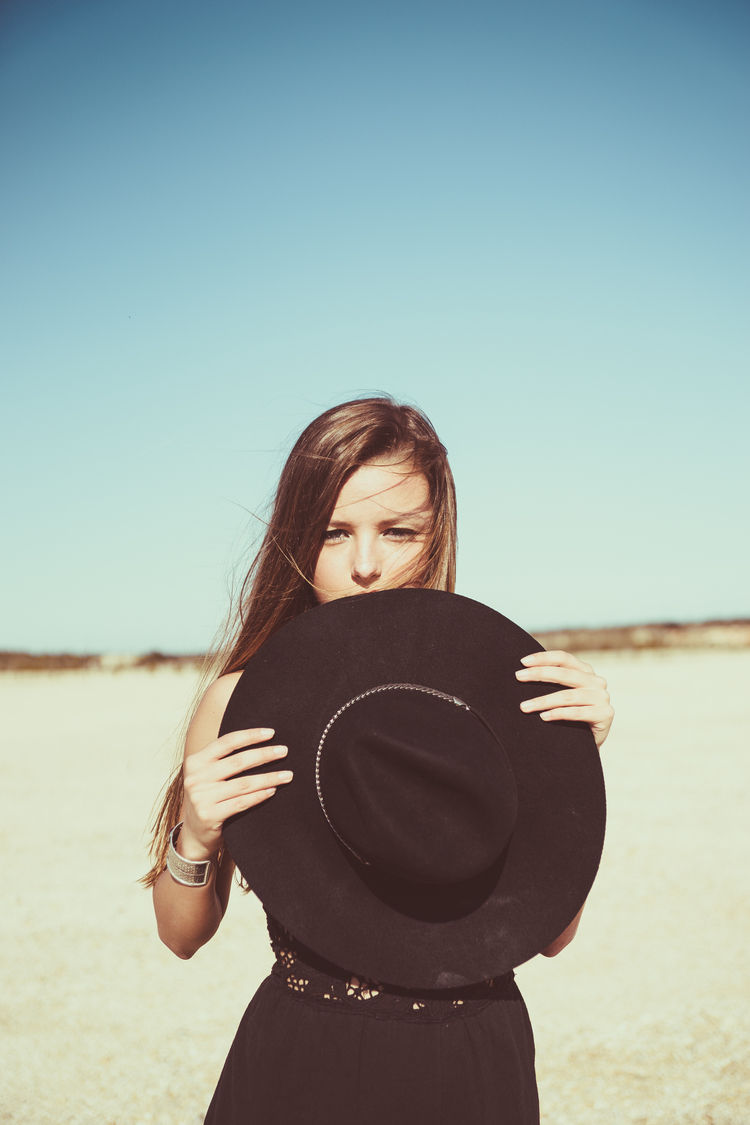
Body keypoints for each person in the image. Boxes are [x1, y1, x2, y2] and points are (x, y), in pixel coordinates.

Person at [144, 396, 614, 1124]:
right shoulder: (242, 702)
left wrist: (570, 764)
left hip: (473, 1064)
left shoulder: (504, 697)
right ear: (295, 539)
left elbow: (552, 936)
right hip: (305, 1061)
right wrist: (195, 837)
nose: (365, 565)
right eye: (333, 533)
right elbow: (181, 936)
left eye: (398, 531)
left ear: (437, 532)